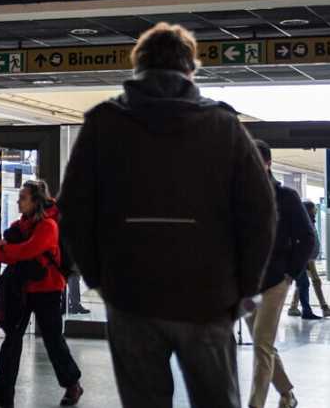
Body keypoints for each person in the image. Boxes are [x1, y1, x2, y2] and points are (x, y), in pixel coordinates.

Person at [58, 22, 276, 408]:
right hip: (208, 297)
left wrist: (101, 278)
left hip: (130, 295)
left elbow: (74, 208)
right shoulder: (223, 125)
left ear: (136, 67)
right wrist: (241, 287)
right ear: (191, 69)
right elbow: (260, 213)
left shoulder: (103, 124)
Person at [0, 180, 83, 408]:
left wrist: (7, 250)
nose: (18, 202)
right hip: (24, 289)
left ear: (35, 201)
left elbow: (27, 250)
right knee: (12, 341)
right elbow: (2, 253)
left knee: (53, 340)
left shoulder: (49, 226)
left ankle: (72, 384)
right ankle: (1, 397)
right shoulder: (21, 225)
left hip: (48, 289)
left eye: (23, 198)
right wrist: (7, 251)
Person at [246, 141, 317, 408]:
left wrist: (289, 274)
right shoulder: (241, 197)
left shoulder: (286, 197)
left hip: (276, 281)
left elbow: (307, 238)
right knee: (262, 343)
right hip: (249, 283)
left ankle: (256, 404)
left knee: (262, 345)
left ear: (267, 164)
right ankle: (287, 394)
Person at [288, 200, 330, 320]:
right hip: (306, 259)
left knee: (303, 284)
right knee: (313, 281)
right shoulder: (304, 224)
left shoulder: (309, 222)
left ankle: (294, 307)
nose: (315, 213)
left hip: (308, 258)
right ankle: (323, 307)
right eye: (313, 210)